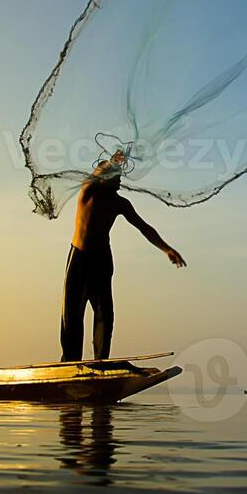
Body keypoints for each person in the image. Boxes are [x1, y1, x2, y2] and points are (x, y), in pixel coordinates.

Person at [61, 151, 185, 361]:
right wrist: (114, 161)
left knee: (104, 315)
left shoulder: (121, 204)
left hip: (101, 261)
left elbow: (144, 227)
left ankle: (100, 362)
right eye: (117, 178)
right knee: (72, 315)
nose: (120, 183)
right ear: (106, 178)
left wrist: (166, 249)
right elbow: (98, 170)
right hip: (79, 258)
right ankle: (70, 362)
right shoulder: (88, 191)